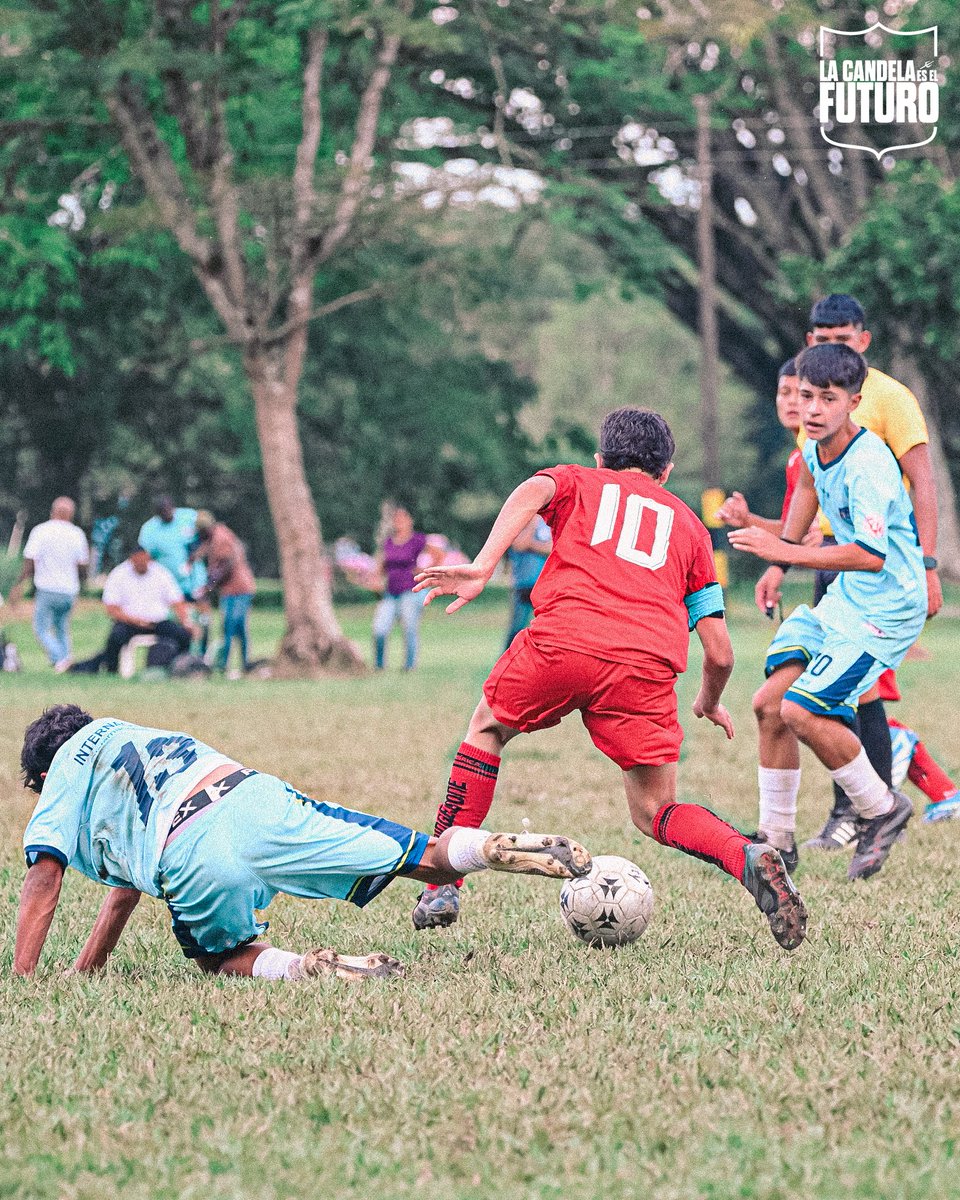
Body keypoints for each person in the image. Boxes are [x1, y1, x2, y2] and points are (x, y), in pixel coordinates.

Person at [410, 407, 806, 952]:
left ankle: (442, 882)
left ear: (602, 460)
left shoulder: (579, 480)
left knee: (487, 729)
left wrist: (482, 564)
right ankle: (747, 855)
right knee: (654, 811)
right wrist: (710, 702)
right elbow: (719, 651)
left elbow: (534, 488)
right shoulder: (690, 528)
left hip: (564, 641)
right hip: (644, 666)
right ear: (665, 472)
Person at [13, 704, 592, 980]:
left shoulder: (65, 764)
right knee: (430, 860)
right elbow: (122, 890)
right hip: (255, 799)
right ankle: (490, 848)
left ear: (43, 775)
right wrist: (85, 968)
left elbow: (44, 873)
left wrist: (25, 979)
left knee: (221, 956)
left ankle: (313, 968)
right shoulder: (128, 731)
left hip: (190, 851)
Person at [729, 344, 926, 881]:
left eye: (827, 399)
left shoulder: (869, 465)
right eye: (804, 396)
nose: (812, 409)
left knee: (802, 709)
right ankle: (776, 841)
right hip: (849, 596)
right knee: (770, 705)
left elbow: (869, 554)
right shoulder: (817, 446)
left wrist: (784, 553)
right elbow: (810, 488)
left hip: (887, 604)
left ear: (854, 402)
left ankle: (882, 809)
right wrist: (783, 558)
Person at [788, 294, 942, 852]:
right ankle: (844, 813)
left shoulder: (890, 399)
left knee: (857, 695)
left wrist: (927, 564)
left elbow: (921, 482)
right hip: (832, 559)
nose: (833, 347)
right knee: (807, 689)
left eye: (843, 338)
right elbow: (808, 486)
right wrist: (782, 559)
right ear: (810, 343)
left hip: (878, 566)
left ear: (864, 340)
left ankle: (865, 808)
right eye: (823, 339)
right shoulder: (809, 398)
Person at [69, 546, 193, 674]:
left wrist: (186, 622)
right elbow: (111, 608)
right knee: (115, 638)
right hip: (129, 623)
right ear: (131, 560)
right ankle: (112, 670)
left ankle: (181, 668)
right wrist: (134, 620)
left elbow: (177, 601)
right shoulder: (119, 574)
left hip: (157, 623)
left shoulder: (161, 573)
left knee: (182, 635)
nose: (142, 565)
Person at [10, 497, 89, 671]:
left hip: (47, 588)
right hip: (69, 589)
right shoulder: (77, 534)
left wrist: (18, 584)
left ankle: (60, 658)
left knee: (41, 628)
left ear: (53, 511)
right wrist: (83, 585)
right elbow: (82, 565)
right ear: (71, 514)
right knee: (62, 628)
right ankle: (66, 660)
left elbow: (30, 561)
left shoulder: (41, 531)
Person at [372, 506, 440, 671]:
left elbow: (438, 554)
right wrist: (375, 579)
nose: (399, 522)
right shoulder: (388, 542)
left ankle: (409, 666)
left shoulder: (417, 539)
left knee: (409, 628)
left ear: (410, 521)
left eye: (403, 518)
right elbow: (381, 565)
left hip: (410, 591)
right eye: (396, 519)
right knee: (379, 629)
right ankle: (379, 666)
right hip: (390, 592)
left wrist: (425, 571)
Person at [191, 512, 256, 674]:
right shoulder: (215, 535)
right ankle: (243, 664)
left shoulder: (221, 538)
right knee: (236, 626)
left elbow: (224, 565)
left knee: (231, 624)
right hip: (231, 589)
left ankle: (225, 664)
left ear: (206, 529)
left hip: (238, 588)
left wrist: (209, 586)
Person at [504, 516, 552, 649]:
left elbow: (552, 548)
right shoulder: (521, 520)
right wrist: (532, 522)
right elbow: (519, 545)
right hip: (523, 583)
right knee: (517, 627)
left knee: (546, 628)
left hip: (543, 584)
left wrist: (530, 544)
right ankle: (507, 660)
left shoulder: (546, 523)